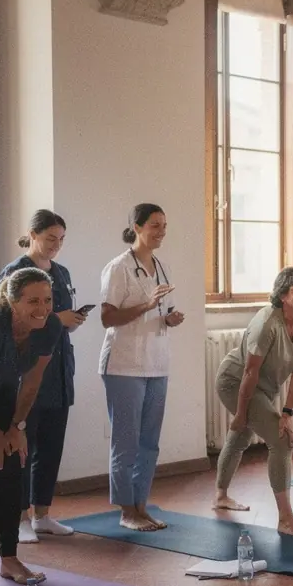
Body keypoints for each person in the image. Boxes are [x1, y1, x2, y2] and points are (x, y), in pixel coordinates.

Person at [212, 267, 293, 537]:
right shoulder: (267, 323)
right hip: (234, 382)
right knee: (282, 440)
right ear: (283, 295)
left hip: (265, 389)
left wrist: (288, 412)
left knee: (240, 438)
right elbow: (249, 373)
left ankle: (220, 496)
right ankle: (286, 519)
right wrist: (240, 414)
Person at [0, 210, 86, 543]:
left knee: (51, 445)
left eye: (61, 240)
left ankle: (42, 514)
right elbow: (6, 323)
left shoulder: (61, 272)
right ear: (33, 235)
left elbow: (59, 318)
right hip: (26, 372)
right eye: (51, 239)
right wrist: (55, 320)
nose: (56, 246)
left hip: (59, 369)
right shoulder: (15, 272)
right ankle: (19, 517)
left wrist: (70, 320)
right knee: (24, 445)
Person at [99, 204, 185, 531]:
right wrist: (147, 305)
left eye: (164, 226)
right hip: (123, 365)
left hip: (156, 363)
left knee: (150, 441)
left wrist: (168, 318)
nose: (161, 232)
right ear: (137, 227)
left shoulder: (160, 266)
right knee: (127, 441)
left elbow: (157, 313)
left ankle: (141, 505)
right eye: (154, 226)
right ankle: (125, 511)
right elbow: (108, 317)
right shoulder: (119, 267)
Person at [0, 268, 62, 584]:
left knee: (10, 467)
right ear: (13, 301)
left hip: (3, 396)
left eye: (47, 300)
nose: (42, 308)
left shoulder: (50, 327)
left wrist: (16, 428)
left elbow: (31, 383)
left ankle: (9, 560)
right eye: (33, 301)